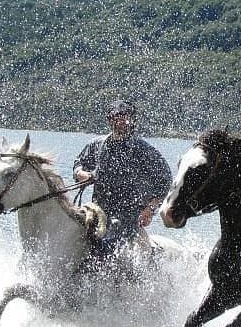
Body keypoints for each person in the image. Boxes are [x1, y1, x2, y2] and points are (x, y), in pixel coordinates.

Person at [73, 99, 172, 256]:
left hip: (130, 217)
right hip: (98, 211)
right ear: (109, 120)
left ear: (132, 120)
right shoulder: (97, 145)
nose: (122, 121)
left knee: (109, 247)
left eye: (125, 117)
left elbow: (165, 182)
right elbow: (79, 165)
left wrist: (150, 209)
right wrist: (82, 174)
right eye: (116, 117)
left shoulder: (143, 150)